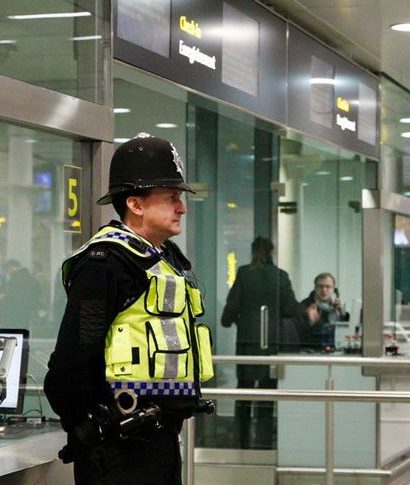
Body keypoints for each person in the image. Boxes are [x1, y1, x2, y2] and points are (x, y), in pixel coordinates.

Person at [44, 133, 214, 485]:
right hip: (117, 451)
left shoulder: (162, 260)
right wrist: (88, 423)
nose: (181, 207)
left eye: (179, 198)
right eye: (170, 197)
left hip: (159, 442)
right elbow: (73, 361)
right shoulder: (104, 264)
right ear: (135, 204)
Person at [221, 237, 312, 449]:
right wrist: (307, 315)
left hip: (247, 343)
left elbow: (228, 314)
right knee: (267, 395)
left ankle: (241, 442)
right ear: (272, 252)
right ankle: (262, 444)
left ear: (253, 251)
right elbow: (290, 307)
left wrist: (238, 320)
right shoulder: (279, 276)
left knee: (243, 393)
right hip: (271, 344)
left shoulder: (244, 274)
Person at [300, 273, 349, 351]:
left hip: (336, 350)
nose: (324, 290)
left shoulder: (337, 307)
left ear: (333, 289)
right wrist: (310, 323)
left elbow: (347, 332)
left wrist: (343, 314)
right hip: (313, 351)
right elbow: (298, 334)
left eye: (328, 286)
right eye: (320, 286)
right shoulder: (305, 306)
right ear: (315, 288)